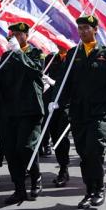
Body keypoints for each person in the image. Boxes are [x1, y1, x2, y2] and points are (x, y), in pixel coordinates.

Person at [51, 15, 106, 209]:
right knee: (84, 154)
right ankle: (89, 191)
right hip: (78, 112)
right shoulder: (73, 54)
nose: (83, 31)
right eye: (80, 28)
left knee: (95, 151)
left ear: (95, 29)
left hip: (98, 113)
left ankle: (99, 189)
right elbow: (64, 81)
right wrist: (56, 100)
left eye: (86, 27)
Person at [0, 22, 45, 205]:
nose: (14, 37)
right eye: (12, 34)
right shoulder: (6, 55)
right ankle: (19, 189)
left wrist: (18, 53)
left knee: (26, 147)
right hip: (8, 110)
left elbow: (35, 71)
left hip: (29, 109)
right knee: (11, 150)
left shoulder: (35, 53)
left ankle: (36, 177)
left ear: (26, 35)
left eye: (18, 34)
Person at [43, 46, 71, 187]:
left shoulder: (73, 57)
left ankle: (64, 169)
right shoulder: (51, 57)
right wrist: (44, 82)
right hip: (52, 103)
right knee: (54, 135)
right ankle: (62, 166)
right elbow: (44, 73)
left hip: (67, 104)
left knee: (61, 137)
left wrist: (54, 83)